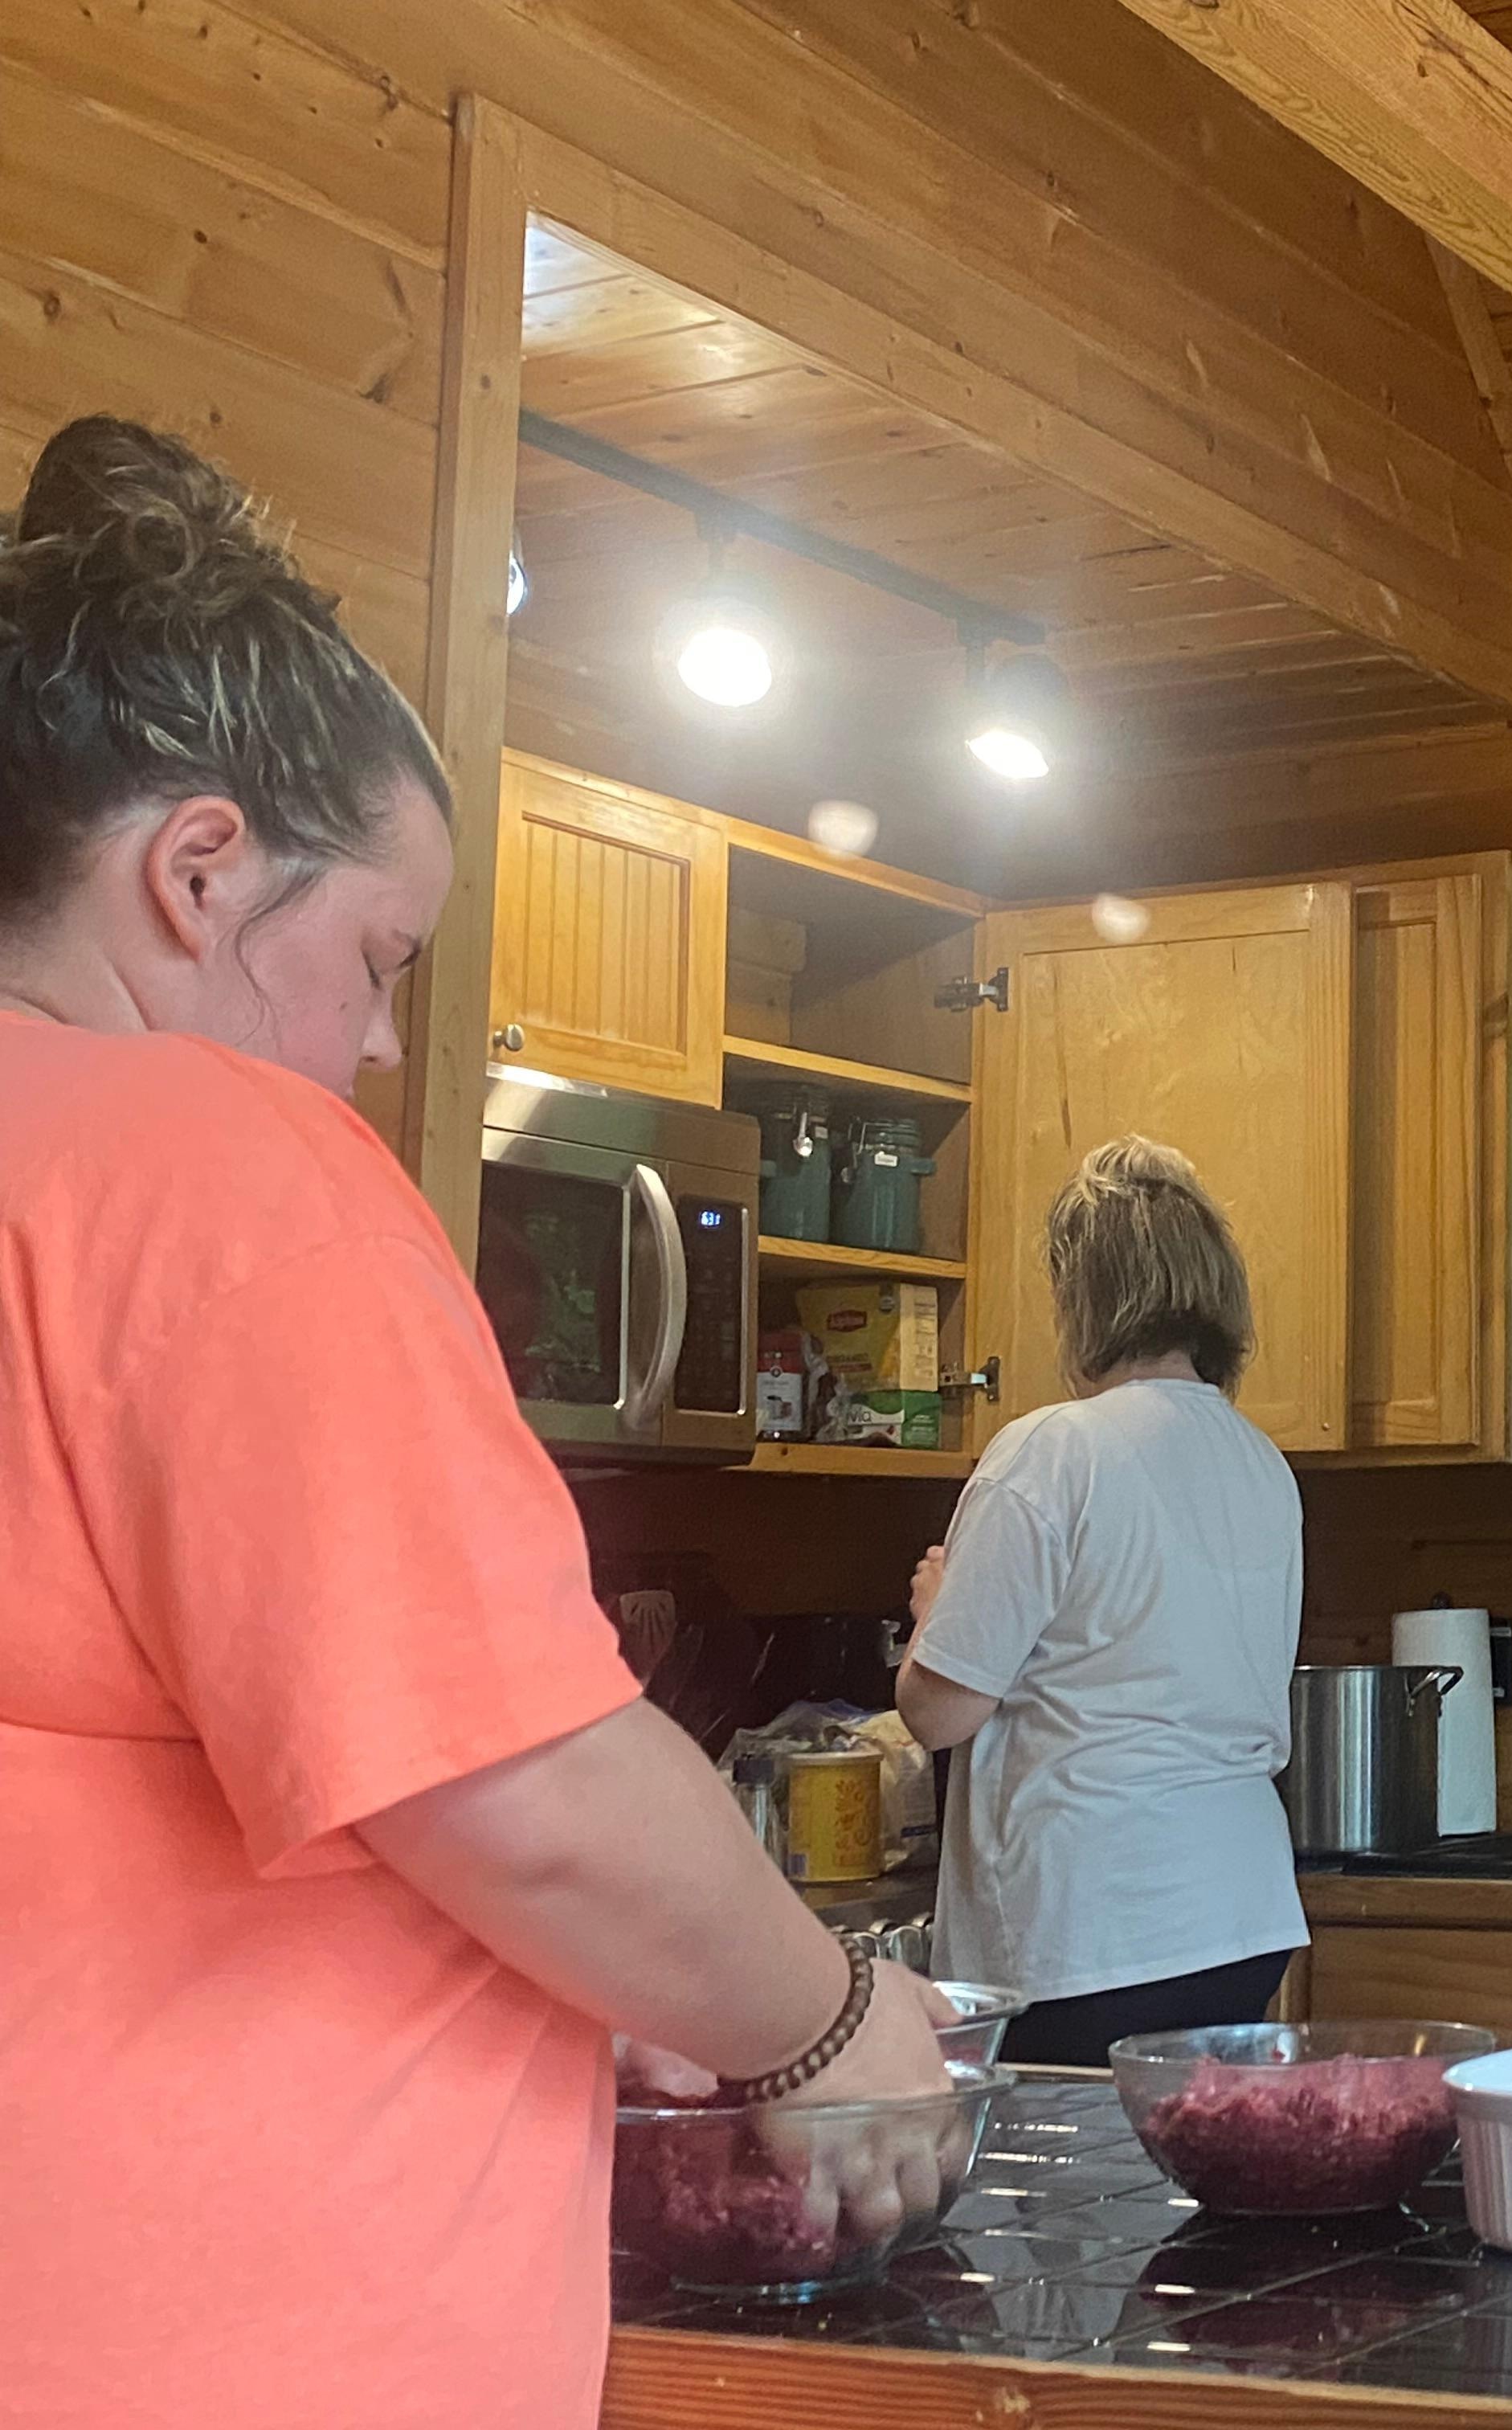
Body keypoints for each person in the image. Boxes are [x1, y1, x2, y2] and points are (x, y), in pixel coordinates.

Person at [0, 418, 951, 2430]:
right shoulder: (209, 1160)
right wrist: (827, 2019)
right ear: (195, 870)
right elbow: (509, 1783)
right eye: (377, 959)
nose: (370, 1041)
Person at [897, 1136, 1309, 2066]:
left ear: (1083, 1296)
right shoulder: (1263, 1466)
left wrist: (935, 1610)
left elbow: (940, 1709)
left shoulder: (1051, 1451)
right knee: (1191, 2190)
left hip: (1088, 1931)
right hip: (1244, 1918)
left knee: (1071, 2201)